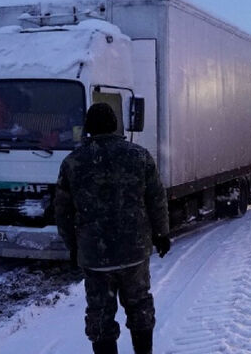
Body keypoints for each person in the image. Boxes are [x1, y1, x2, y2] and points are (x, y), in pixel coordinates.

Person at [54, 103, 171, 354]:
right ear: (115, 126)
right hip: (135, 252)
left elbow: (62, 212)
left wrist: (73, 247)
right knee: (139, 307)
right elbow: (156, 199)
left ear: (88, 128)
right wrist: (161, 234)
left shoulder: (72, 163)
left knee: (100, 317)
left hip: (95, 257)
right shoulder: (139, 156)